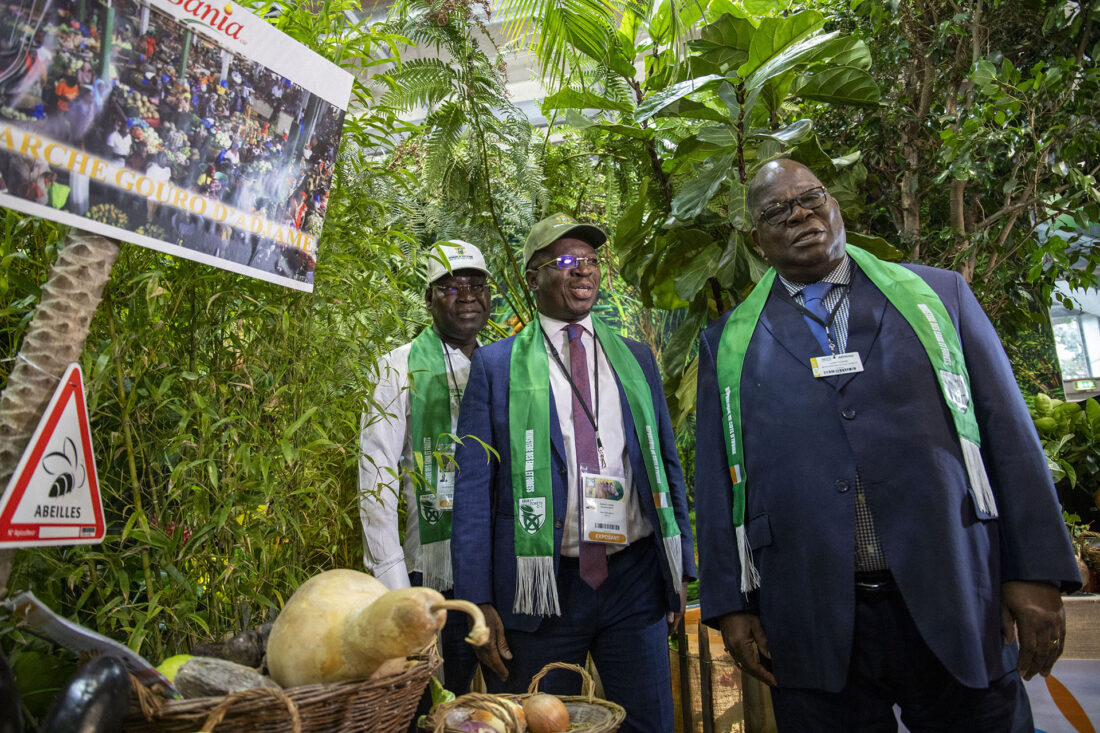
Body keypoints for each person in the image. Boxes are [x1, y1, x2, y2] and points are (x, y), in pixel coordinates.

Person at [693, 159, 1081, 731]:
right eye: (778, 210)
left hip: (954, 591)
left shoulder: (937, 296)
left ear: (835, 204)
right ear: (757, 239)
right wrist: (730, 605)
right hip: (812, 612)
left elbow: (1009, 433)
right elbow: (717, 476)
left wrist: (1038, 572)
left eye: (812, 197)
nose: (801, 213)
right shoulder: (727, 342)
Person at [451, 213, 695, 732]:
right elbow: (472, 492)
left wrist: (679, 568)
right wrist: (480, 603)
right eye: (565, 261)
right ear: (531, 276)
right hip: (538, 588)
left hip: (632, 578)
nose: (582, 271)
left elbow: (664, 463)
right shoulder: (496, 368)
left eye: (589, 260)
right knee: (535, 724)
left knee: (648, 722)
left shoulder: (633, 357)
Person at [358, 240, 492, 695]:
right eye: (452, 286)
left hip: (503, 567)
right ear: (429, 297)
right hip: (436, 575)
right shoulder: (396, 368)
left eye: (477, 284)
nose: (467, 295)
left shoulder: (508, 367)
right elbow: (375, 483)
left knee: (509, 704)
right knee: (437, 704)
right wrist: (398, 591)